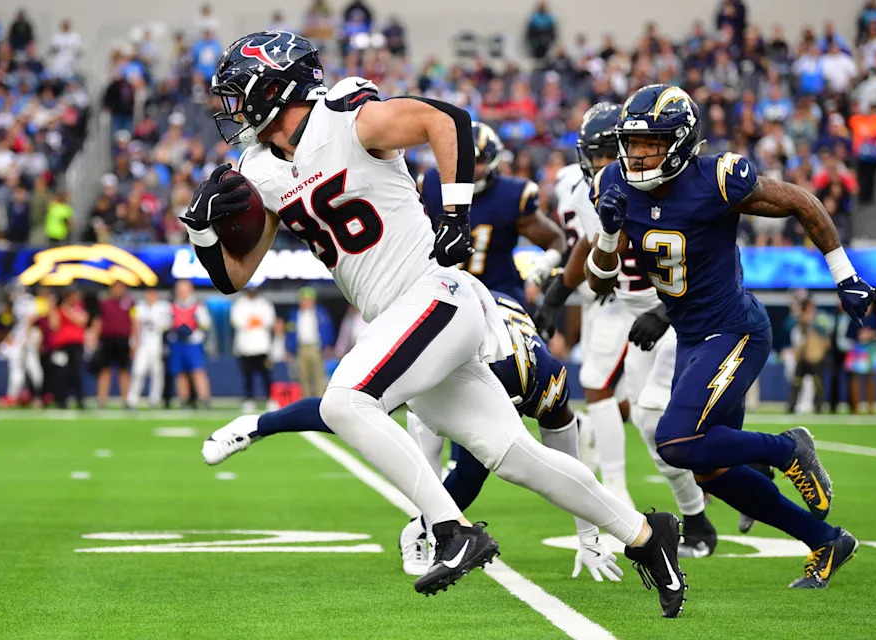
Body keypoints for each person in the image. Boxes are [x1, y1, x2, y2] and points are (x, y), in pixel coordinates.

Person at [180, 32, 686, 615]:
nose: (235, 111)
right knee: (512, 455)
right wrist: (202, 233)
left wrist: (456, 213)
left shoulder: (345, 117)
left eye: (241, 95)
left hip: (434, 293)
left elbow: (447, 121)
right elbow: (234, 275)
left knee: (345, 400)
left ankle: (451, 531)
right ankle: (648, 538)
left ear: (274, 86)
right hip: (401, 319)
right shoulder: (259, 170)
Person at [588, 84, 874, 589]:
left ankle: (786, 449)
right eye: (631, 143)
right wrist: (608, 233)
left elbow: (801, 202)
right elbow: (599, 281)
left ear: (679, 142)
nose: (635, 154)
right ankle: (826, 541)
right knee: (710, 471)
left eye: (649, 143)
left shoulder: (715, 179)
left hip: (735, 328)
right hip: (693, 338)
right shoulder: (614, 182)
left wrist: (844, 273)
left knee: (674, 441)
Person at [206, 291, 625, 583]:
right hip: (441, 362)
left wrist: (587, 536)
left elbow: (563, 452)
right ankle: (257, 426)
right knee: (364, 414)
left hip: (480, 353)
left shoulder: (545, 378)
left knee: (473, 475)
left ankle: (420, 529)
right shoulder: (454, 355)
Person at [536, 102, 716, 557]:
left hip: (678, 310)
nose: (601, 163)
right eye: (595, 153)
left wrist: (667, 311)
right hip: (630, 309)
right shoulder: (601, 186)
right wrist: (558, 292)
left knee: (656, 418)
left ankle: (728, 484)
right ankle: (695, 512)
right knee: (644, 418)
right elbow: (591, 245)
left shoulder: (671, 187)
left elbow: (707, 262)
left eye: (607, 152)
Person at [418, 122, 566, 304]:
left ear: (492, 160)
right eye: (462, 158)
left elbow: (556, 240)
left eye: (477, 160)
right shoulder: (430, 184)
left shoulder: (511, 194)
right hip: (440, 292)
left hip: (497, 296)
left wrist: (539, 272)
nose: (469, 167)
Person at [231, 286, 276, 412]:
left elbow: (269, 320)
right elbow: (237, 321)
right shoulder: (239, 304)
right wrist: (253, 321)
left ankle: (270, 399)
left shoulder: (264, 304)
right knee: (247, 375)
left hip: (262, 346)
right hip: (245, 347)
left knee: (266, 375)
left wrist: (253, 321)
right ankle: (249, 399)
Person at [168, 280, 211, 409]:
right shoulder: (171, 306)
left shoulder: (198, 306)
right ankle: (184, 399)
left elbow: (206, 324)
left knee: (197, 371)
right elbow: (163, 325)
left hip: (193, 343)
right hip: (177, 342)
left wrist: (193, 324)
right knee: (180, 373)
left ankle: (204, 399)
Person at [285, 287, 333, 398]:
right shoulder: (295, 314)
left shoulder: (320, 313)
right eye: (303, 299)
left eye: (308, 299)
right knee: (303, 377)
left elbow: (327, 328)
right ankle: (306, 400)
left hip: (316, 348)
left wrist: (327, 345)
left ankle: (319, 400)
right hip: (301, 348)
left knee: (318, 376)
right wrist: (290, 349)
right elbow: (291, 332)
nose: (305, 302)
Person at [127, 288, 171, 408]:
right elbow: (134, 326)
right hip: (142, 343)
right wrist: (133, 344)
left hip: (157, 343)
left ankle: (154, 400)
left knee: (157, 372)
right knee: (138, 371)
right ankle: (132, 399)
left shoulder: (164, 307)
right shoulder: (138, 307)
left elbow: (166, 325)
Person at [92, 281, 133, 407]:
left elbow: (134, 321)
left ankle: (126, 400)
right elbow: (98, 321)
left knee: (124, 371)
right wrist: (94, 338)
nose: (118, 290)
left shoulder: (129, 303)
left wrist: (135, 340)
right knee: (104, 370)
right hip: (107, 340)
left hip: (123, 340)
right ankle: (101, 400)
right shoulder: (104, 303)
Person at [787, 299, 832, 414]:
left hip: (816, 357)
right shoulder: (800, 322)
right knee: (797, 382)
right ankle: (791, 406)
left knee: (818, 383)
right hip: (803, 357)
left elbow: (825, 336)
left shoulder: (819, 320)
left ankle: (819, 406)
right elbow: (797, 338)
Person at [49, 289, 88, 409]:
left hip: (76, 345)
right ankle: (61, 400)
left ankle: (79, 399)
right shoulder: (58, 309)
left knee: (77, 373)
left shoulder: (78, 308)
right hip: (62, 345)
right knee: (61, 373)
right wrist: (52, 308)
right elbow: (53, 325)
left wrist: (67, 310)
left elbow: (82, 320)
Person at [845, 305, 876, 414]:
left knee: (870, 380)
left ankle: (871, 408)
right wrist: (859, 335)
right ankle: (856, 408)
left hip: (871, 351)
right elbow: (849, 334)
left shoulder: (875, 318)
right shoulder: (854, 318)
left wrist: (871, 334)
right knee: (855, 380)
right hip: (858, 351)